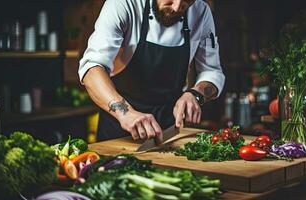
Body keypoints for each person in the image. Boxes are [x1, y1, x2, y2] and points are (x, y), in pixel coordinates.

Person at [78, 0, 225, 142]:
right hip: (119, 129)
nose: (177, 6)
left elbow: (212, 71)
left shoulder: (201, 11)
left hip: (170, 131)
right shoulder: (123, 3)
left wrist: (196, 94)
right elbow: (92, 68)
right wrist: (126, 113)